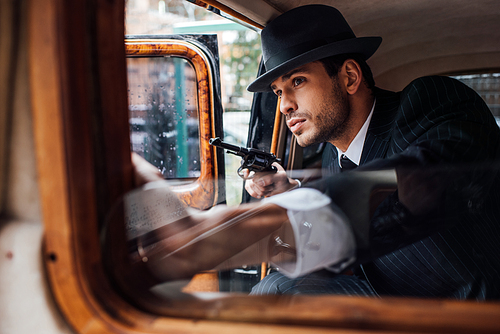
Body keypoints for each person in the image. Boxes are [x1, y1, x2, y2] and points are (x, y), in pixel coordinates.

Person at [129, 4, 500, 300]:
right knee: (275, 290)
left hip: (470, 312)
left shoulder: (426, 103)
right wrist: (291, 195)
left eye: (298, 82)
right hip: (390, 303)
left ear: (350, 77)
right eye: (278, 92)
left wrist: (217, 236)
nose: (285, 105)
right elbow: (346, 249)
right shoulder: (330, 159)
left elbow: (425, 183)